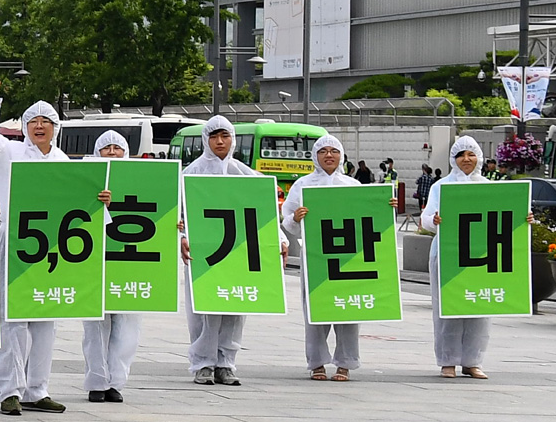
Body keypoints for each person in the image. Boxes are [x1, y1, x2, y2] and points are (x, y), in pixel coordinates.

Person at [0, 77, 74, 416]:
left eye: (46, 121)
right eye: (34, 121)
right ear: (25, 126)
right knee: (11, 320)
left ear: (56, 127)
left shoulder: (63, 162)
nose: (40, 126)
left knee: (45, 319)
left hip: (51, 251)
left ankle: (37, 388)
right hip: (14, 245)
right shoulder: (10, 153)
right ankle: (9, 390)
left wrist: (98, 200)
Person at [180, 116, 288, 387]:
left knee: (235, 307)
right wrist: (181, 237)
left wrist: (280, 239)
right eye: (214, 136)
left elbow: (264, 211)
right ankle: (203, 363)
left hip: (238, 251)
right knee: (203, 310)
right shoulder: (191, 173)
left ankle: (226, 363)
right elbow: (178, 214)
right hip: (204, 253)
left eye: (225, 136)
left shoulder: (246, 173)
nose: (219, 142)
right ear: (206, 139)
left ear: (233, 139)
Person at [281, 135, 397, 382]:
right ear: (315, 156)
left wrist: (386, 206)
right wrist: (296, 219)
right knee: (315, 311)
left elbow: (369, 218)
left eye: (334, 151)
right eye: (323, 151)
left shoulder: (352, 185)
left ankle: (344, 363)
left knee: (348, 309)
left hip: (348, 257)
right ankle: (317, 363)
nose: (329, 155)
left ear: (341, 155)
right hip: (316, 256)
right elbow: (287, 222)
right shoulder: (303, 185)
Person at [420, 136, 532, 379]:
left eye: (471, 154)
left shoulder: (489, 186)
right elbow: (426, 219)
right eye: (461, 155)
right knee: (447, 308)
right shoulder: (441, 186)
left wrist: (525, 218)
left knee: (479, 307)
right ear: (453, 159)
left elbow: (505, 217)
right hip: (449, 255)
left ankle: (472, 361)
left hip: (482, 257)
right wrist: (434, 221)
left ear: (479, 157)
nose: (466, 159)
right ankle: (447, 361)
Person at [80, 129, 142, 403]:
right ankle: (97, 380)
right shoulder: (85, 176)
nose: (113, 152)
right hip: (93, 260)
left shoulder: (141, 180)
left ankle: (116, 381)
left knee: (127, 326)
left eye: (118, 148)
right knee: (95, 325)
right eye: (107, 148)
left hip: (130, 262)